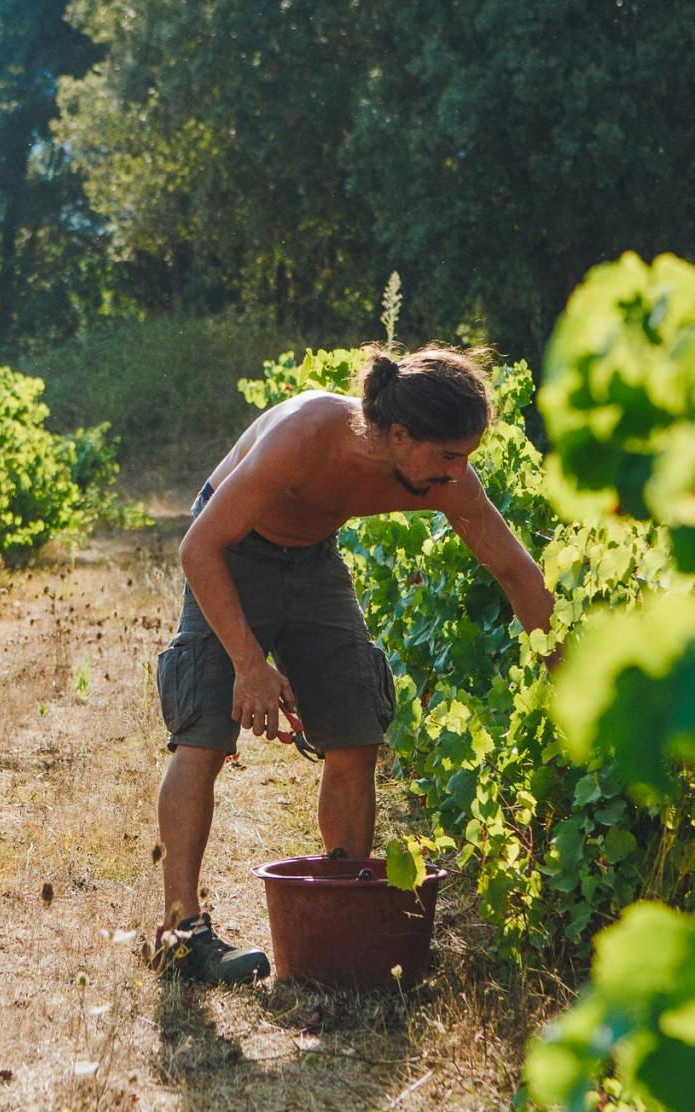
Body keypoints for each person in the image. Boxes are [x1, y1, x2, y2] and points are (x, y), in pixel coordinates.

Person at [153, 344, 555, 984]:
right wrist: (250, 665)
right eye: (449, 455)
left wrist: (565, 677)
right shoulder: (306, 433)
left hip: (312, 561)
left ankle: (339, 915)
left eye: (468, 456)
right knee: (201, 736)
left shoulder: (445, 476)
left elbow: (516, 573)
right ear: (398, 434)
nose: (460, 472)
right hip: (231, 552)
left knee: (355, 733)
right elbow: (198, 546)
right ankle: (181, 934)